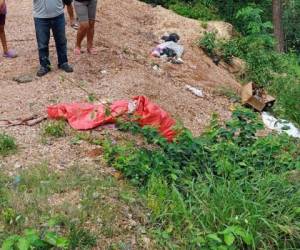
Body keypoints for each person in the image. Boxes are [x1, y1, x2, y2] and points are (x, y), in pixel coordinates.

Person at [33, 0, 73, 77]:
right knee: (42, 44)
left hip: (58, 15)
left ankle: (63, 62)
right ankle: (45, 66)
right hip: (40, 17)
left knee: (61, 41)